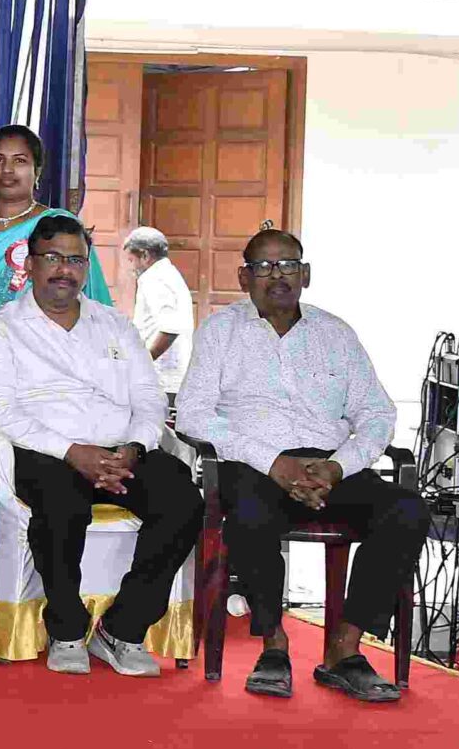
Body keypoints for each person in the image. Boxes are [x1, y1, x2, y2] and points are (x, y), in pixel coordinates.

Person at [176, 229, 420, 704]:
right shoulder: (221, 332)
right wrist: (273, 463)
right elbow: (193, 414)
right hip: (255, 464)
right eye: (264, 267)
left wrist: (338, 467)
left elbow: (377, 413)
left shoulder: (336, 334)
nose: (278, 276)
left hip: (330, 467)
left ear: (305, 274)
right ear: (244, 277)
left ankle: (345, 649)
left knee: (407, 510)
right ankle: (274, 645)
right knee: (249, 513)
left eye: (288, 265)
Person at [0, 215, 196, 677]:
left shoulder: (114, 324)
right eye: (52, 258)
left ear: (86, 267)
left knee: (182, 497)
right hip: (45, 452)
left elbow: (149, 398)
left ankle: (123, 628)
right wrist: (73, 452)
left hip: (120, 452)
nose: (64, 270)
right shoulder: (2, 328)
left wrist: (135, 447)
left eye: (75, 260)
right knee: (61, 500)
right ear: (30, 264)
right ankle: (67, 628)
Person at [0, 124, 111, 416]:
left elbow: (81, 300)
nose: (7, 169)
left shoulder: (58, 224)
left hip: (34, 358)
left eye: (20, 160)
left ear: (37, 171)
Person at [123, 226, 194, 398]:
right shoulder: (167, 273)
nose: (130, 267)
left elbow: (170, 328)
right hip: (168, 377)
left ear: (145, 255)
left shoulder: (154, 278)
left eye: (131, 260)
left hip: (163, 378)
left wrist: (143, 363)